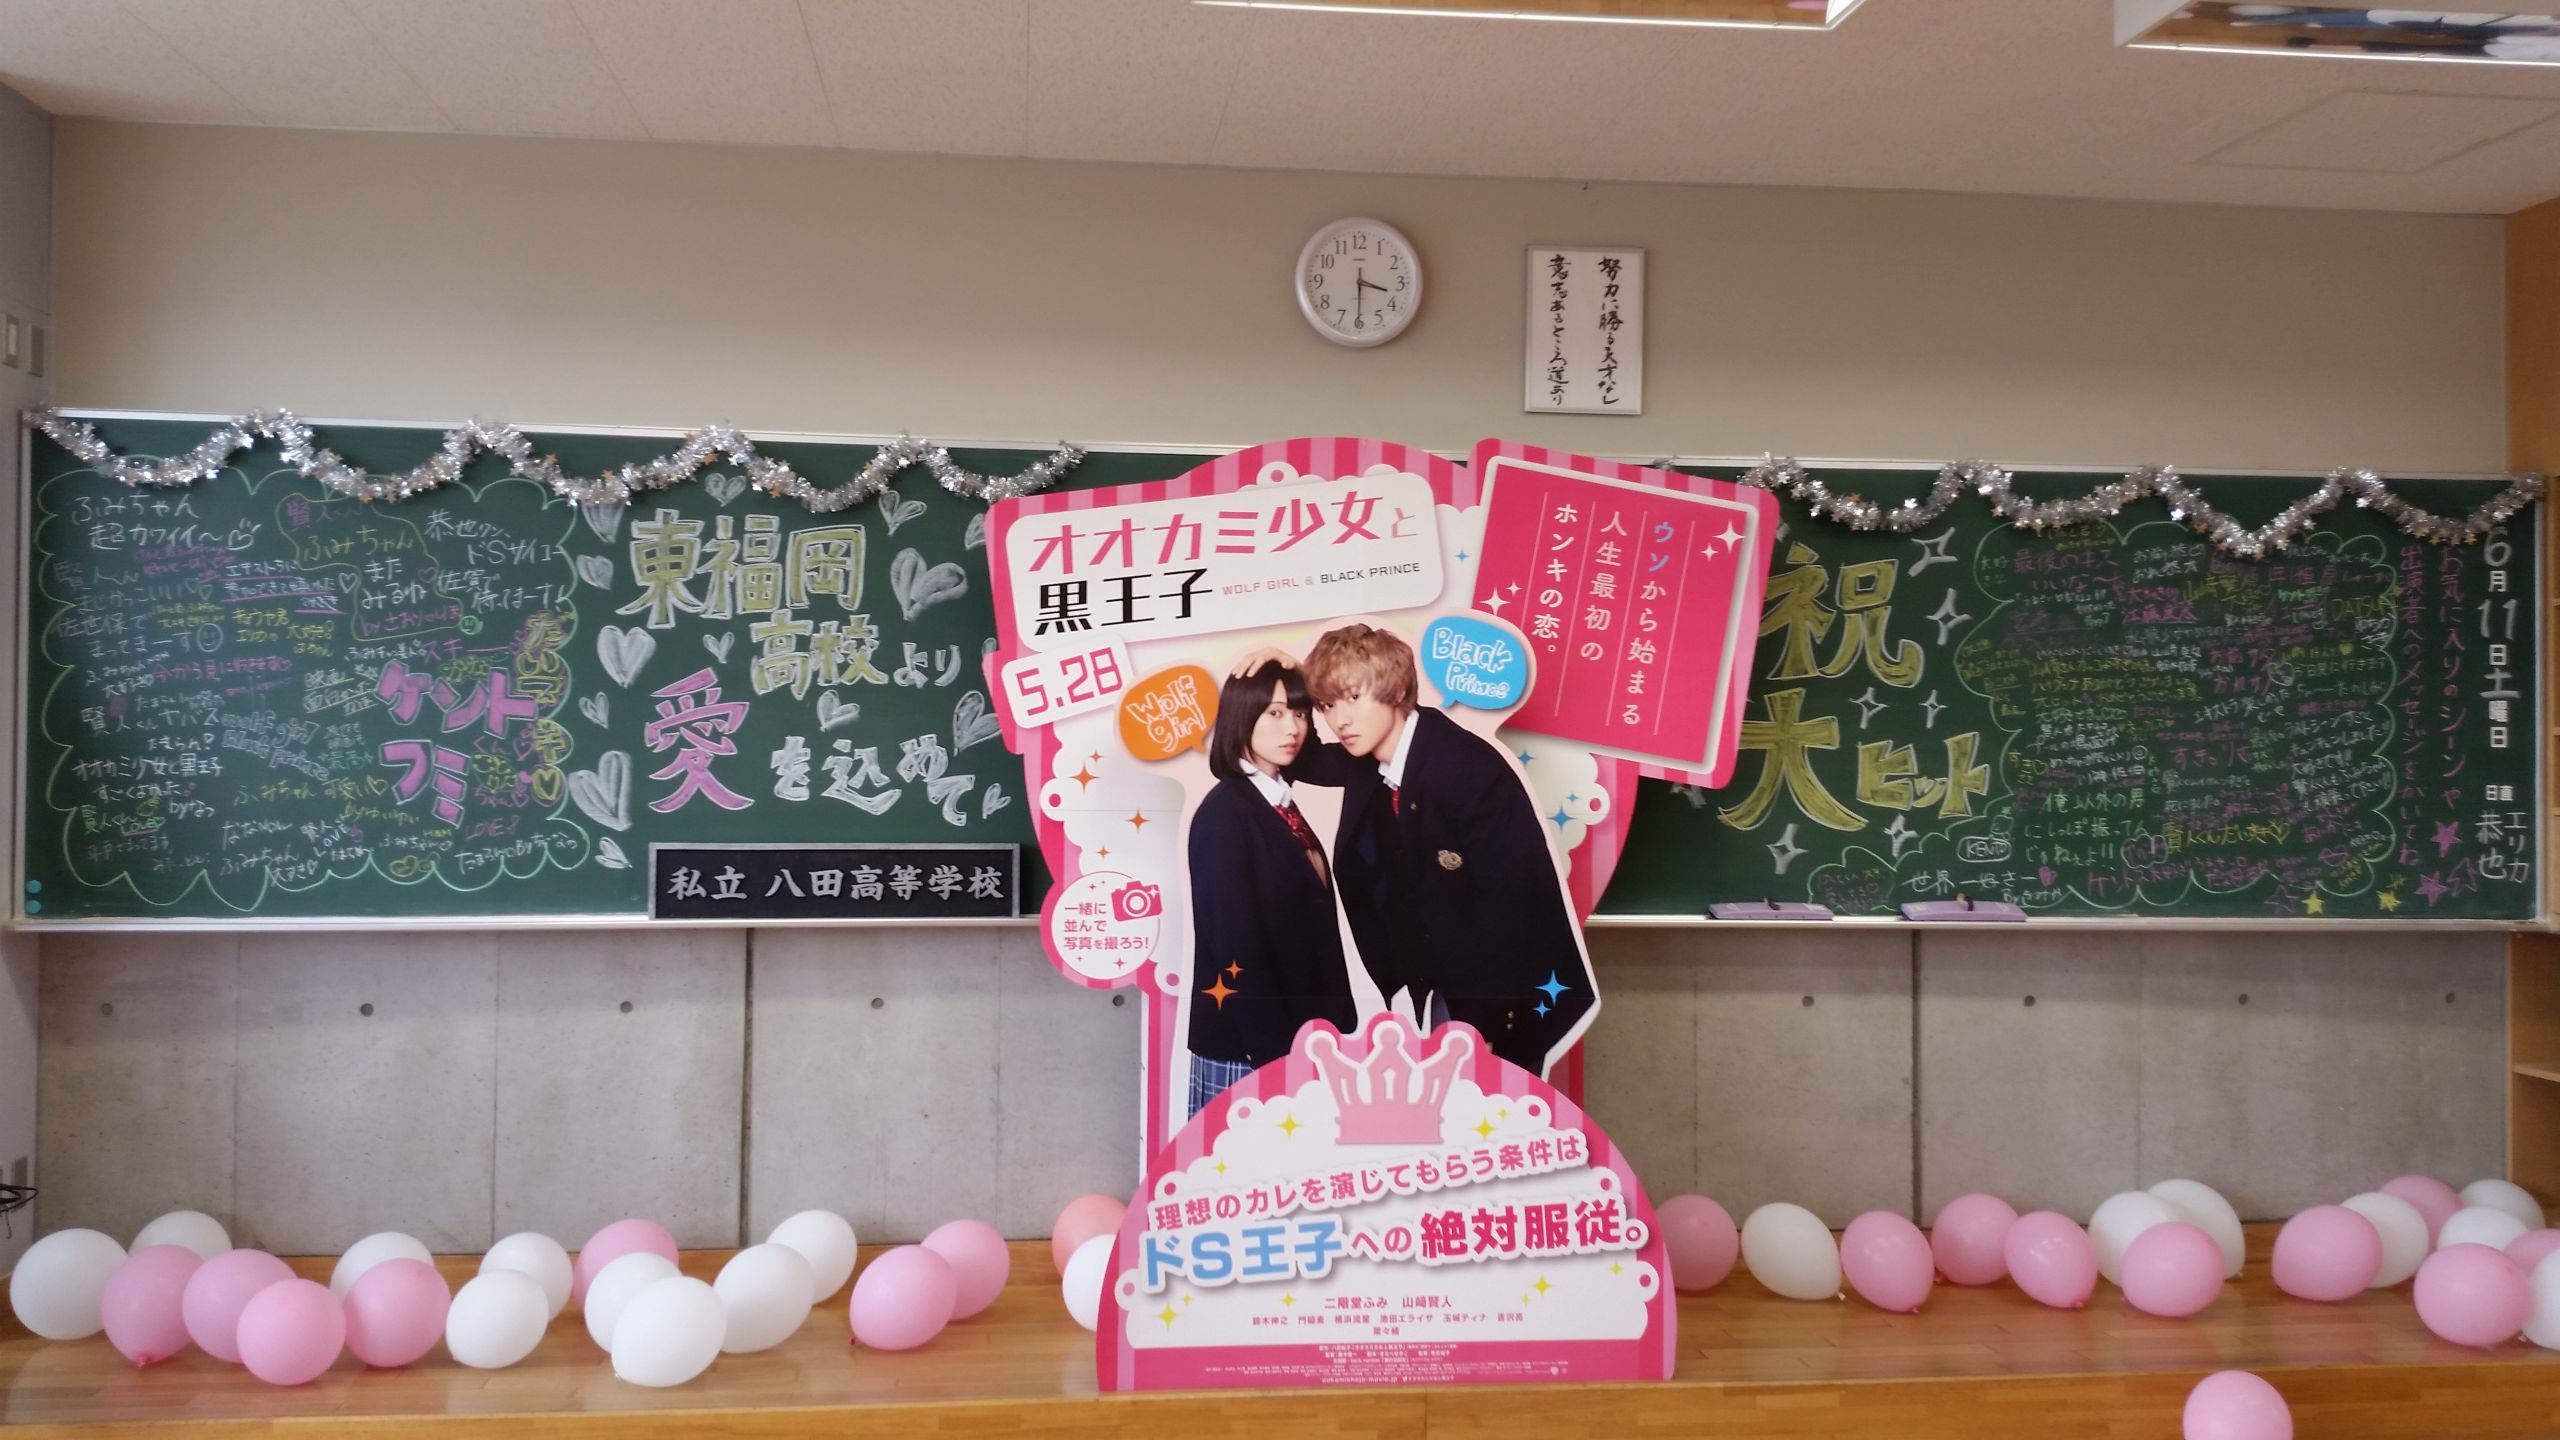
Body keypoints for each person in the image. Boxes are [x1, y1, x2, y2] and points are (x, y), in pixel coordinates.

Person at [1259, 624, 1598, 1078]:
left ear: (1397, 690)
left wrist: (1483, 1026)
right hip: (1445, 982)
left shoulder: (1466, 769)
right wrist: (1285, 674)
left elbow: (1507, 911)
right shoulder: (1371, 760)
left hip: (1513, 996)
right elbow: (1302, 757)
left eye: (1353, 697)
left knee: (1493, 1113)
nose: (1339, 719)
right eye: (1328, 704)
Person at [1183, 661, 1360, 1117]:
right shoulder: (1226, 815)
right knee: (1234, 1161)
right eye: (1275, 713)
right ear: (1243, 715)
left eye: (1299, 713)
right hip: (1253, 1048)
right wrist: (1273, 1058)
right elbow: (1233, 945)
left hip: (1303, 1038)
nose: (1293, 728)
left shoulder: (1279, 803)